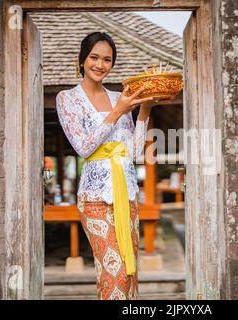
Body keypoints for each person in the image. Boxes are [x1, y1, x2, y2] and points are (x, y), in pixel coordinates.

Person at [55, 32, 155, 300]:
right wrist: (118, 111)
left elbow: (133, 152)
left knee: (130, 274)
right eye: (94, 57)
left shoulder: (119, 97)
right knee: (116, 273)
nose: (100, 65)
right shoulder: (67, 99)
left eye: (107, 59)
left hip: (128, 194)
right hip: (95, 199)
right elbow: (83, 147)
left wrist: (144, 110)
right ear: (83, 59)